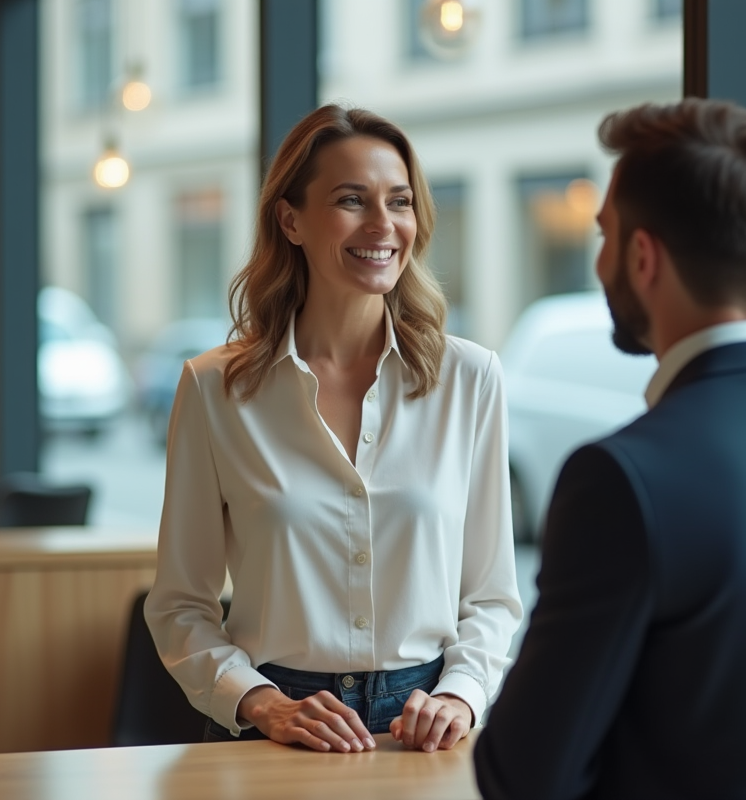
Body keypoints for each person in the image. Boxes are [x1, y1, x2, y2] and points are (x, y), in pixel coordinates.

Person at [474, 98, 746, 799]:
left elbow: (525, 772)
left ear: (643, 256)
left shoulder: (622, 480)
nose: (598, 261)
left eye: (605, 235)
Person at [145, 104, 522, 754]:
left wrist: (461, 694)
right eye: (352, 200)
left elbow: (491, 598)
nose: (383, 225)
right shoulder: (214, 388)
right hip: (271, 729)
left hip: (422, 731)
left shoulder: (471, 378)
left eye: (399, 201)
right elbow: (181, 605)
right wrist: (262, 704)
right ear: (290, 219)